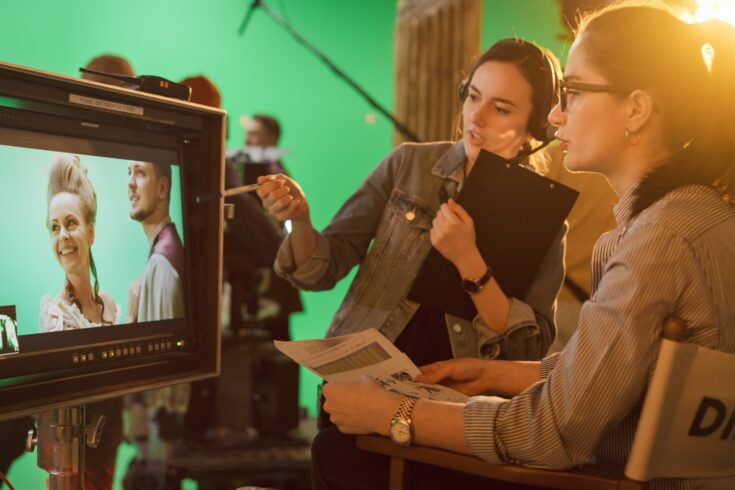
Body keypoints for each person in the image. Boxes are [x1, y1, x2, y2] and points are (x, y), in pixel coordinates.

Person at [321, 2, 735, 489]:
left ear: (638, 109)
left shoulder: (658, 240)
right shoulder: (704, 218)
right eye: (473, 97)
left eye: (574, 93)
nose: (557, 114)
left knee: (339, 453)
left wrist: (396, 411)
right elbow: (615, 376)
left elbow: (553, 431)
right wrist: (496, 375)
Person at [258, 38, 566, 488]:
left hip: (451, 419)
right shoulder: (409, 166)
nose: (476, 118)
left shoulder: (543, 219)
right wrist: (300, 222)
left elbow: (527, 353)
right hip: (359, 388)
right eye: (473, 97)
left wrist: (469, 260)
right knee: (335, 456)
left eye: (500, 108)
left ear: (535, 127)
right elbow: (320, 269)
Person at [38, 155, 121, 490]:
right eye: (54, 227)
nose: (63, 237)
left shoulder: (112, 305)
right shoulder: (54, 313)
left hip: (109, 453)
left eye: (71, 223)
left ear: (90, 231)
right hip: (72, 467)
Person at [126, 160, 185, 323]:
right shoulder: (164, 253)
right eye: (129, 172)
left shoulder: (161, 264)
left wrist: (130, 320)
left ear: (162, 189)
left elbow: (164, 346)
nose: (130, 182)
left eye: (140, 172)